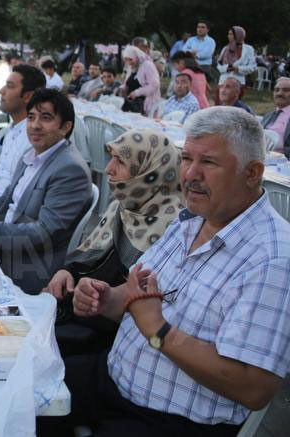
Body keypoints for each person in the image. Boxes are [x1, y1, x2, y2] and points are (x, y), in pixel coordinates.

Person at [40, 107, 290, 436]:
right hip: (113, 381)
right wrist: (106, 299)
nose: (190, 174)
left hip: (168, 421)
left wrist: (160, 331)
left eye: (209, 162)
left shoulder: (271, 258)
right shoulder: (189, 220)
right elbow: (137, 301)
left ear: (253, 172)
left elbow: (252, 386)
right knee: (20, 387)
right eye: (186, 159)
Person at [44, 129, 182, 356]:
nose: (108, 169)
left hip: (107, 339)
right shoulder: (125, 207)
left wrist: (86, 297)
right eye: (111, 158)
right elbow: (92, 256)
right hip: (78, 312)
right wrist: (66, 272)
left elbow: (134, 304)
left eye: (120, 161)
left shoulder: (172, 230)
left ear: (149, 171)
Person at [0, 89, 92, 293]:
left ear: (65, 127)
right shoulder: (33, 154)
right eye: (31, 117)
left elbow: (43, 232)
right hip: (3, 245)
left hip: (27, 265)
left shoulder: (69, 169)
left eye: (46, 118)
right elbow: (3, 202)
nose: (35, 125)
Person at [0, 64, 45, 196]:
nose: (1, 91)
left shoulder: (33, 139)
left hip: (0, 212)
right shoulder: (11, 132)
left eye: (10, 86)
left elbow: (15, 197)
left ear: (28, 96)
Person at [121, 45, 160, 117]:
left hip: (145, 105)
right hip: (131, 104)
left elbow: (155, 85)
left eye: (130, 59)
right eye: (126, 60)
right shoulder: (132, 67)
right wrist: (123, 88)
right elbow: (128, 82)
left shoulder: (148, 65)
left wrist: (137, 92)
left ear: (136, 56)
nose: (128, 62)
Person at [260, 77, 290, 157]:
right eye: (276, 90)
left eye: (286, 90)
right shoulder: (267, 116)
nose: (279, 93)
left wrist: (280, 152)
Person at [183, 19, 217, 83]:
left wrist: (193, 54)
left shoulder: (211, 41)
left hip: (204, 67)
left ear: (207, 30)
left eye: (202, 27)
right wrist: (193, 52)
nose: (200, 29)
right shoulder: (191, 40)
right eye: (198, 27)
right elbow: (184, 50)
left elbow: (207, 54)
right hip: (191, 65)